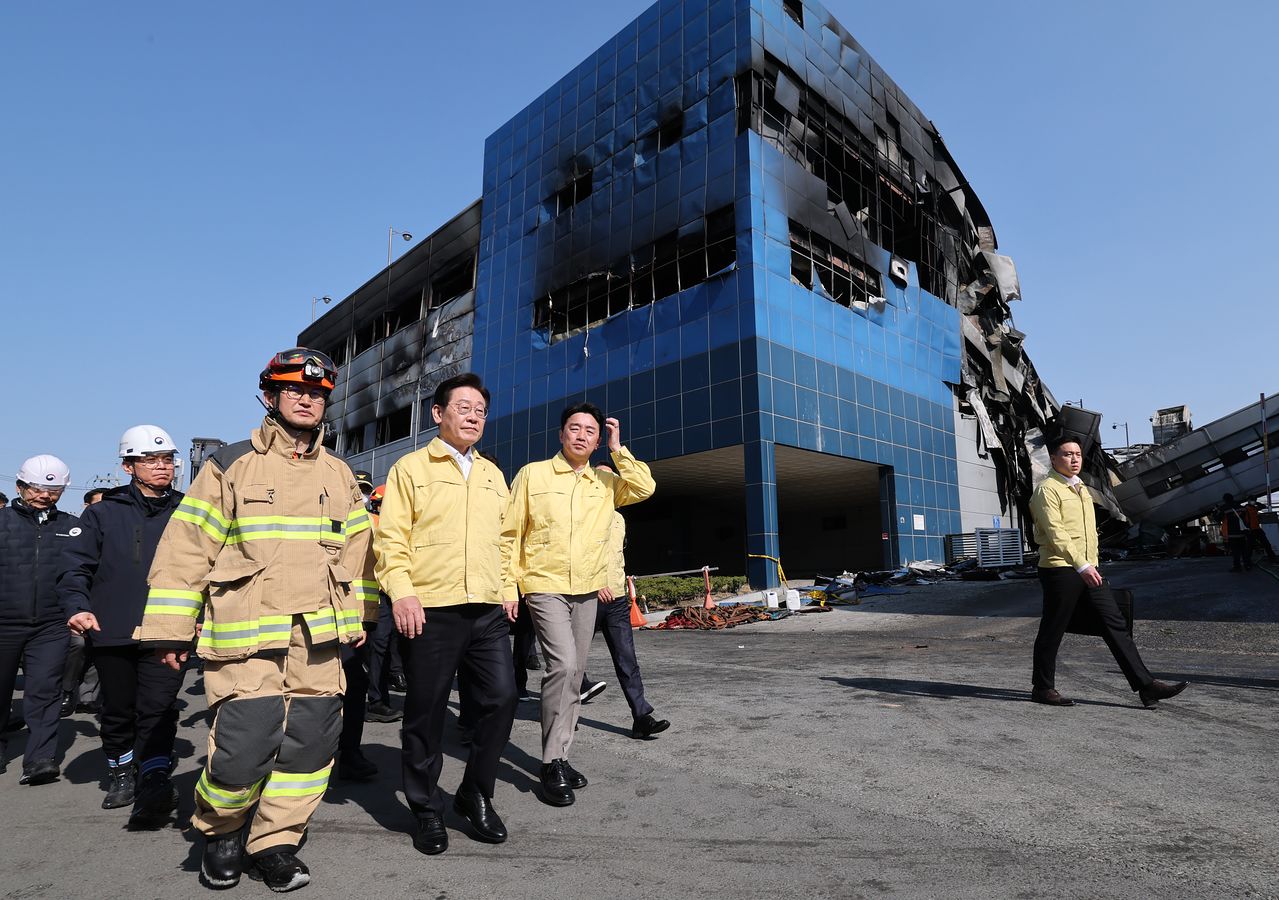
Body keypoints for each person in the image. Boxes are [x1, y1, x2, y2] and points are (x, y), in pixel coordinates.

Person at [136, 348, 378, 892]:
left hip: (318, 638)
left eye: (316, 393)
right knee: (244, 744)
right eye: (294, 390)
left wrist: (362, 614)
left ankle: (276, 842)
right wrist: (170, 629)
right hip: (247, 634)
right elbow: (186, 549)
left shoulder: (340, 474)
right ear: (269, 397)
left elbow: (359, 551)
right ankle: (222, 832)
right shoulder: (229, 464)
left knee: (310, 748)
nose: (307, 399)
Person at [374, 373, 518, 855]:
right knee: (425, 712)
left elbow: (505, 541)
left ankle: (475, 793)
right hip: (431, 609)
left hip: (487, 609)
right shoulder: (410, 469)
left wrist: (508, 588)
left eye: (480, 409)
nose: (474, 416)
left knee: (501, 698)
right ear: (439, 414)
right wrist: (403, 594)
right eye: (464, 407)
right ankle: (425, 808)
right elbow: (390, 539)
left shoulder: (493, 474)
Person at [504, 402, 655, 806]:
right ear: (560, 434)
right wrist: (508, 586)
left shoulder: (603, 483)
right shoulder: (532, 475)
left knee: (575, 675)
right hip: (543, 584)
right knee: (564, 666)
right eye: (574, 428)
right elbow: (509, 533)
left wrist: (618, 448)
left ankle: (561, 755)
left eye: (591, 430)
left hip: (587, 589)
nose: (582, 435)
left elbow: (645, 487)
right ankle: (551, 762)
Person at [58, 426, 187, 827]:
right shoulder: (101, 512)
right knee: (117, 710)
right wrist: (78, 606)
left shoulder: (188, 510)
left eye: (167, 459)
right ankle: (120, 772)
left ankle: (154, 776)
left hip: (169, 629)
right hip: (112, 628)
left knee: (159, 707)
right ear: (128, 466)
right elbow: (75, 567)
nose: (161, 467)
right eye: (150, 460)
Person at [1030, 435, 1188, 709]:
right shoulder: (1047, 490)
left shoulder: (1082, 489)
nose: (1074, 459)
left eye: (1077, 454)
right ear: (1054, 459)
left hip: (1089, 567)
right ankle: (1042, 688)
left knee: (1115, 623)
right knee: (1053, 629)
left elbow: (1088, 532)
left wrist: (1091, 564)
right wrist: (1081, 565)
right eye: (1067, 454)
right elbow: (1056, 534)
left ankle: (1146, 686)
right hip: (1061, 569)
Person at [0, 455, 78, 784]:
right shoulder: (3, 523)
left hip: (50, 624)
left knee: (45, 691)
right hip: (4, 623)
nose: (45, 495)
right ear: (20, 487)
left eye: (54, 489)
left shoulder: (72, 527)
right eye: (38, 488)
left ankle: (40, 758)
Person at [577, 498, 669, 740]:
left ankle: (641, 718)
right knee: (573, 659)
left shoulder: (619, 519)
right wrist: (595, 585)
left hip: (617, 600)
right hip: (588, 597)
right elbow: (576, 555)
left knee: (627, 658)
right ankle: (565, 713)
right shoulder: (581, 512)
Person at [1220, 493, 1252, 572]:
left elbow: (1218, 518)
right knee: (1244, 550)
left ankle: (1237, 566)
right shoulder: (1242, 507)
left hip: (1232, 534)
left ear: (1224, 500)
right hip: (1242, 533)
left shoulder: (1224, 508)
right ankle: (1247, 565)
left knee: (1235, 551)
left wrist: (1215, 511)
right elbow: (1248, 519)